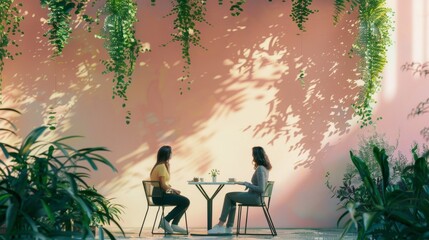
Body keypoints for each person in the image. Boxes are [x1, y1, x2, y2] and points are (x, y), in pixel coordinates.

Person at [208, 146, 272, 234]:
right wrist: (243, 183)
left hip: (255, 198)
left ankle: (220, 225)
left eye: (253, 155)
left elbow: (261, 188)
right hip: (257, 197)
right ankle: (228, 228)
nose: (252, 157)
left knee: (228, 196)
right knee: (231, 197)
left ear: (256, 156)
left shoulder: (260, 168)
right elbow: (260, 186)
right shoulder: (265, 168)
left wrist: (247, 184)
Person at [150, 145, 190, 233]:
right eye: (171, 152)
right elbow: (163, 186)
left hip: (158, 195)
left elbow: (163, 184)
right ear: (167, 155)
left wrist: (173, 190)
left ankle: (174, 224)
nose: (172, 154)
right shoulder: (161, 167)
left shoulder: (161, 165)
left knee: (184, 201)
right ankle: (167, 221)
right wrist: (173, 191)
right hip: (160, 196)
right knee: (185, 201)